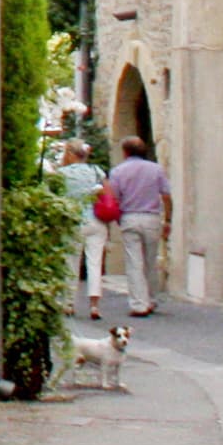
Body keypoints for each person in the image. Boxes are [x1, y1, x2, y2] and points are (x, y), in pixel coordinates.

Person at [104, 135, 170, 318]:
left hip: (130, 217)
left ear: (125, 152)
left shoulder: (118, 171)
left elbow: (114, 198)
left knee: (134, 262)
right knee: (150, 260)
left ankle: (139, 304)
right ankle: (151, 298)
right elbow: (166, 195)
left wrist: (118, 218)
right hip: (151, 217)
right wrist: (168, 220)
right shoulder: (156, 169)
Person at [53, 134, 110, 318]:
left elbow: (56, 198)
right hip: (96, 221)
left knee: (71, 262)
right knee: (95, 263)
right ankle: (94, 305)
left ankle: (69, 303)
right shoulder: (96, 171)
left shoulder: (61, 174)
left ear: (70, 153)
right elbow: (108, 193)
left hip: (74, 221)